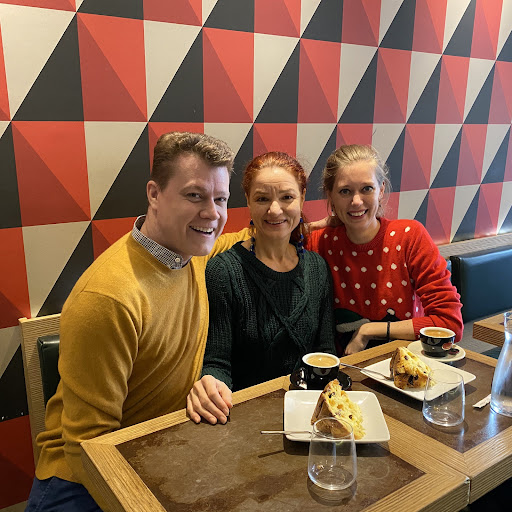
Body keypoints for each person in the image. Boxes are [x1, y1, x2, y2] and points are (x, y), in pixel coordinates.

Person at [26, 132, 248, 512]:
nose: (212, 214)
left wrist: (305, 225)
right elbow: (88, 448)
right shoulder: (108, 298)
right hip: (83, 481)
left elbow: (236, 237)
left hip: (158, 452)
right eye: (194, 195)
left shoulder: (191, 250)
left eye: (221, 199)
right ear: (154, 194)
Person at [187, 152, 336, 424]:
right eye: (262, 199)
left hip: (310, 416)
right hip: (245, 418)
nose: (275, 210)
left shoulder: (317, 268)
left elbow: (325, 351)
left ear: (302, 197)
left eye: (287, 197)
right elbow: (218, 362)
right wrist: (211, 385)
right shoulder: (224, 272)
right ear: (247, 201)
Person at [306, 144, 463, 356]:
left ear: (381, 190)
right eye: (345, 191)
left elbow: (450, 324)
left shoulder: (409, 237)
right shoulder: (319, 242)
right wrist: (310, 226)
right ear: (330, 195)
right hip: (344, 369)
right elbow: (268, 243)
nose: (356, 201)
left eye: (367, 189)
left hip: (407, 366)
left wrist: (369, 330)